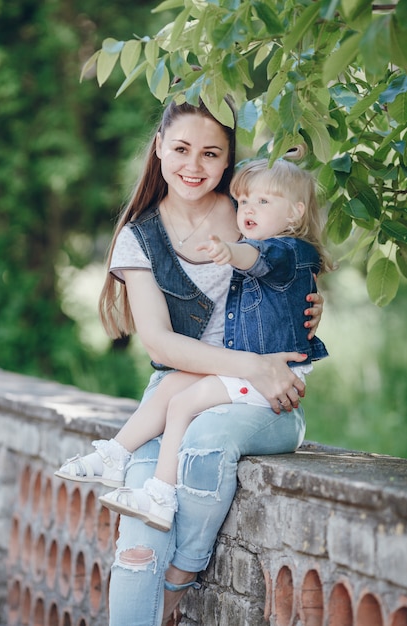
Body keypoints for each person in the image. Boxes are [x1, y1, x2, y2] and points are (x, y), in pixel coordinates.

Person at [56, 97, 324, 625]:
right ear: (158, 149)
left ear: (228, 161)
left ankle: (178, 586)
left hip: (257, 400)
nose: (193, 166)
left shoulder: (251, 211)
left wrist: (312, 306)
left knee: (205, 444)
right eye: (180, 149)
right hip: (179, 391)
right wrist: (253, 364)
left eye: (210, 153)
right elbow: (159, 344)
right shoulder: (140, 238)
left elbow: (293, 271)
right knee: (135, 547)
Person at [59, 157, 333, 534]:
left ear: (296, 212)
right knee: (172, 385)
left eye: (264, 202)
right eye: (245, 201)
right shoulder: (273, 247)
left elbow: (259, 259)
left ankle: (161, 495)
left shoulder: (288, 250)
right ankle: (116, 453)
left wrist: (229, 251)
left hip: (270, 374)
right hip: (249, 363)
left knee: (182, 403)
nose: (249, 210)